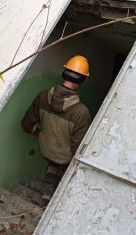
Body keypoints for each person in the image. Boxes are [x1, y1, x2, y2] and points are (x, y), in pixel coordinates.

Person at [21, 55, 91, 200]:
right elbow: (77, 148)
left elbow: (26, 125)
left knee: (55, 160)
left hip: (46, 148)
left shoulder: (43, 96)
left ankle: (48, 186)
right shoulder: (81, 112)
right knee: (64, 161)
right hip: (63, 155)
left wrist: (38, 134)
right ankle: (54, 194)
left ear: (64, 73)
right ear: (81, 81)